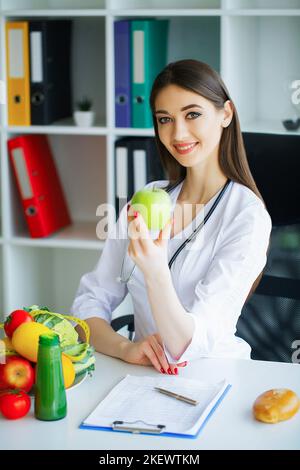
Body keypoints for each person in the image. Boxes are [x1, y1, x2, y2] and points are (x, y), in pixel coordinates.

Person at [71, 59, 272, 375]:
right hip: (140, 377)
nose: (178, 133)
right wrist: (125, 348)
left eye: (192, 114)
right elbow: (88, 305)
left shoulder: (247, 218)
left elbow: (186, 346)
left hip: (215, 376)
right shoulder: (149, 198)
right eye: (164, 119)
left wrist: (154, 271)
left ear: (226, 114)